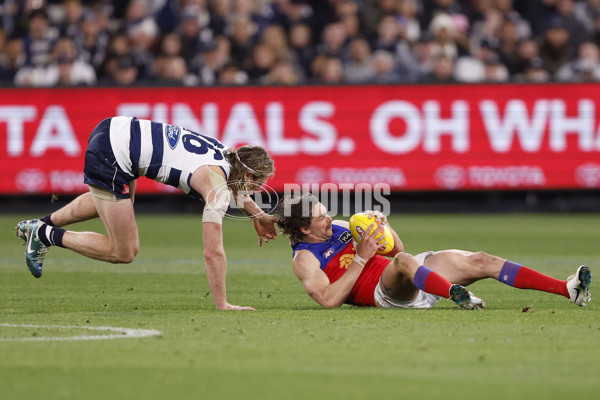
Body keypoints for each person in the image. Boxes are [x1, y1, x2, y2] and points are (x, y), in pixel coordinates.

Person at [15, 116, 278, 311]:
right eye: (256, 184)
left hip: (112, 128)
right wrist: (222, 304)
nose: (254, 191)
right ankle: (45, 234)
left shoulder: (223, 153)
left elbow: (234, 188)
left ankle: (39, 224)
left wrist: (258, 215)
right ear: (250, 174)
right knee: (124, 251)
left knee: (114, 202)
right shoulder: (217, 188)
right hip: (114, 154)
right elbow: (213, 251)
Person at [277, 193, 592, 310]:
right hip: (385, 293)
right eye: (321, 217)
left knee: (482, 260)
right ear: (304, 229)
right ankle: (457, 295)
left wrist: (385, 228)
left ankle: (567, 290)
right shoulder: (304, 259)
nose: (329, 218)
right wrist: (361, 258)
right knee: (402, 262)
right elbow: (330, 300)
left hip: (415, 274)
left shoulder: (344, 226)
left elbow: (397, 249)